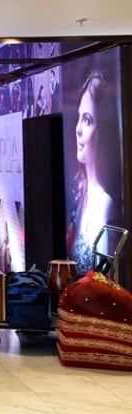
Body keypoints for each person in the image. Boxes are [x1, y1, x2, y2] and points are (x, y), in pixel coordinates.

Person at [68, 70, 119, 274]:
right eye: (79, 118)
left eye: (87, 120)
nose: (78, 129)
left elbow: (104, 276)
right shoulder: (81, 197)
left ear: (103, 130)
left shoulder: (105, 204)